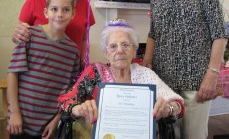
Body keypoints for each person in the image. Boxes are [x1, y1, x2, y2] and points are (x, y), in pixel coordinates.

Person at [143, 0, 227, 139]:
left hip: (197, 82)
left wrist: (212, 74)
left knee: (194, 136)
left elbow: (219, 34)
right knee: (167, 135)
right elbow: (154, 32)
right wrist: (146, 64)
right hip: (164, 81)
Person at [57, 19, 185, 137]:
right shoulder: (94, 72)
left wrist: (169, 109)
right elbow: (65, 101)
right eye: (113, 46)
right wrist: (78, 109)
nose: (120, 51)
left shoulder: (145, 74)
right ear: (106, 53)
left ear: (134, 50)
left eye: (125, 45)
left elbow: (179, 105)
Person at [7, 0, 80, 139]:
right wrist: (14, 112)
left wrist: (56, 120)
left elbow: (70, 91)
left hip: (49, 127)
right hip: (21, 122)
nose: (59, 14)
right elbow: (13, 74)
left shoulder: (73, 50)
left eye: (66, 10)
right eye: (54, 9)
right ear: (46, 12)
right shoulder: (29, 36)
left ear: (73, 14)